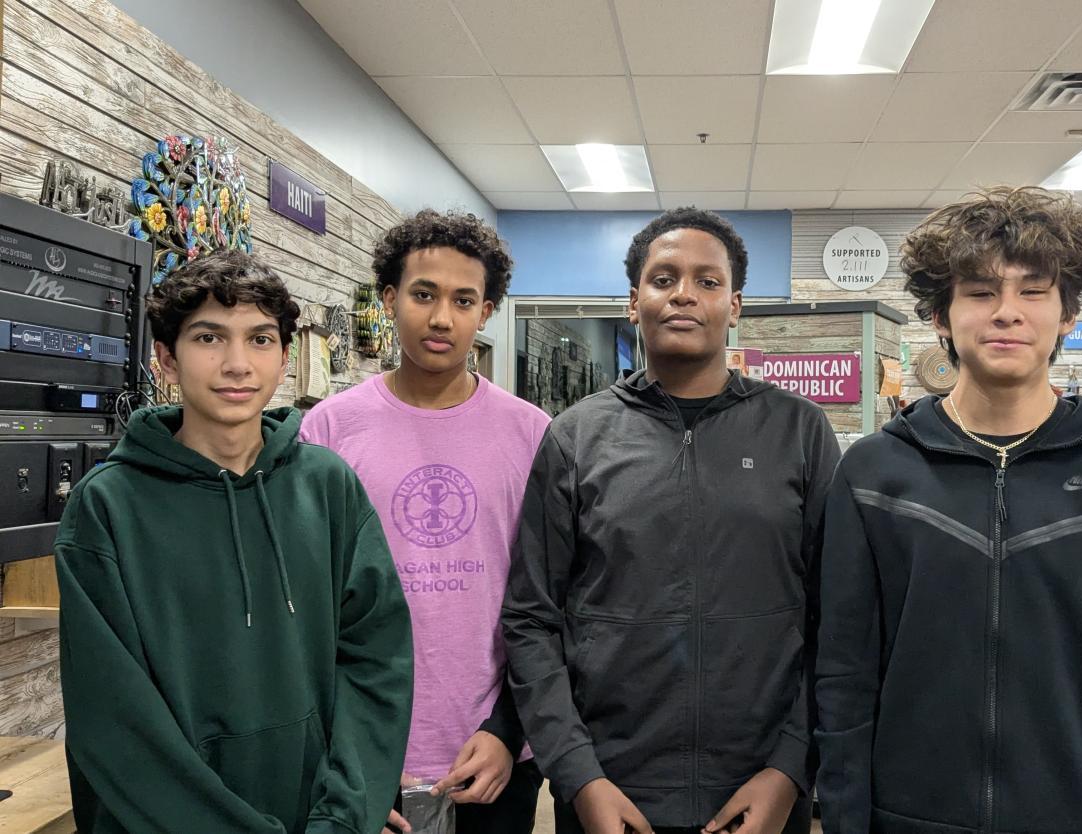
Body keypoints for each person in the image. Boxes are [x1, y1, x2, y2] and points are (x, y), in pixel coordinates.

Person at [815, 187, 1082, 833]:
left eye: (1033, 291)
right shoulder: (874, 474)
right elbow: (843, 675)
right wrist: (845, 818)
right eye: (979, 292)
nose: (1006, 312)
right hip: (909, 818)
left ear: (1067, 313)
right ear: (941, 317)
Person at [503, 207, 840, 834]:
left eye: (707, 281)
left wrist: (791, 769)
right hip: (611, 793)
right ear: (635, 303)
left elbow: (837, 618)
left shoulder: (799, 431)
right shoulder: (576, 437)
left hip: (760, 791)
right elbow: (531, 619)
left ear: (734, 306)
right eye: (664, 279)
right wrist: (578, 776)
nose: (684, 294)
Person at [56, 250, 413, 833]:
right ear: (166, 359)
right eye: (209, 338)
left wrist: (347, 814)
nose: (238, 364)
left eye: (260, 339)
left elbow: (377, 660)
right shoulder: (107, 506)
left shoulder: (328, 486)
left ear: (284, 358)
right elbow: (114, 720)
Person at [301, 210, 549, 834]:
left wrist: (507, 730)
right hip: (361, 751)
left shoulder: (532, 434)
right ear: (389, 300)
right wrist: (344, 754)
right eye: (423, 294)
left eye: (463, 300)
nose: (442, 317)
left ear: (486, 311)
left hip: (493, 754)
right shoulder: (327, 430)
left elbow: (551, 601)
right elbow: (306, 607)